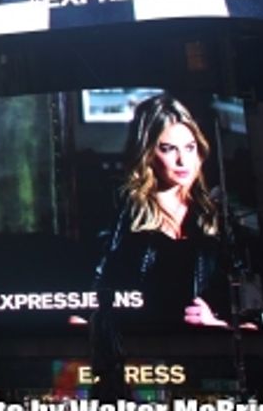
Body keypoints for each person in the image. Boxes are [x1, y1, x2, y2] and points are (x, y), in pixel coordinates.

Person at [91, 93, 242, 329]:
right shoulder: (123, 209)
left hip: (206, 350)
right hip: (139, 347)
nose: (183, 161)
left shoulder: (216, 214)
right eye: (169, 149)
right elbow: (94, 288)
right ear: (148, 152)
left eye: (190, 148)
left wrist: (216, 325)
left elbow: (254, 312)